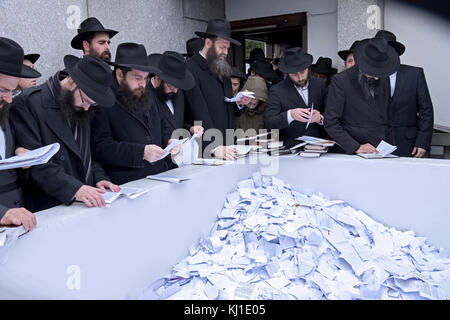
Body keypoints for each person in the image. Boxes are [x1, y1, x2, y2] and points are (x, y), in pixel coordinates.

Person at [10, 55, 120, 212]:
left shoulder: (80, 104)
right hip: (52, 205)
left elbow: (85, 152)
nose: (87, 108)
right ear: (71, 82)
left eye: (92, 103)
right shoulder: (29, 103)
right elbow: (34, 163)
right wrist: (75, 188)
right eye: (86, 101)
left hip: (86, 201)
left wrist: (99, 177)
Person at [91, 43, 181, 185]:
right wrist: (141, 153)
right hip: (128, 183)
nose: (142, 84)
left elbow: (162, 125)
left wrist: (169, 141)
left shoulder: (147, 94)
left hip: (160, 175)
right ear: (120, 74)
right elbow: (101, 147)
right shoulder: (103, 100)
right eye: (137, 78)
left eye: (145, 78)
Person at [184, 19, 251, 160]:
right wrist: (214, 147)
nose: (226, 52)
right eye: (222, 47)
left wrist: (239, 102)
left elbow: (226, 106)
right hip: (207, 151)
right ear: (208, 43)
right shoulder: (190, 69)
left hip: (228, 148)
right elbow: (198, 113)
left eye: (227, 48)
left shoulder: (222, 67)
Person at [324, 37, 400, 155]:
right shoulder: (340, 81)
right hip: (352, 151)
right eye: (373, 73)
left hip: (381, 150)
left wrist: (390, 148)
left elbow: (388, 118)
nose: (377, 78)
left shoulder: (383, 77)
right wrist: (356, 147)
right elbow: (331, 122)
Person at [0, 37, 40, 231]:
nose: (9, 99)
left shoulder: (5, 111)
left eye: (12, 90)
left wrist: (20, 156)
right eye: (2, 90)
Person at [375, 30, 434, 158]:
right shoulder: (368, 75)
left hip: (408, 144)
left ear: (395, 52)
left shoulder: (415, 74)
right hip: (374, 144)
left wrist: (423, 142)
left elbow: (426, 110)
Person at [264, 47, 328, 148]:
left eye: (302, 72)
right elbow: (269, 123)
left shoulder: (319, 84)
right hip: (292, 148)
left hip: (320, 146)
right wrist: (290, 115)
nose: (300, 78)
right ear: (287, 73)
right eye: (294, 74)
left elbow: (332, 114)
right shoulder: (276, 90)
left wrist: (321, 118)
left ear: (308, 68)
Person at [148, 51, 204, 137]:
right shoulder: (144, 97)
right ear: (157, 78)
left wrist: (190, 129)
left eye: (178, 86)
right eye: (171, 86)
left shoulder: (177, 92)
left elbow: (177, 124)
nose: (175, 91)